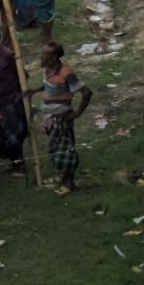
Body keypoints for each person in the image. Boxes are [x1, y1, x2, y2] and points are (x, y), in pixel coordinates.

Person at [38, 43, 92, 193]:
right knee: (56, 148)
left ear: (54, 57)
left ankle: (69, 183)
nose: (41, 57)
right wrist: (33, 90)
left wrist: (78, 113)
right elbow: (50, 86)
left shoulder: (66, 74)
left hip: (61, 117)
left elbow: (86, 92)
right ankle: (63, 178)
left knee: (66, 149)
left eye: (45, 54)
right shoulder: (48, 71)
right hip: (50, 117)